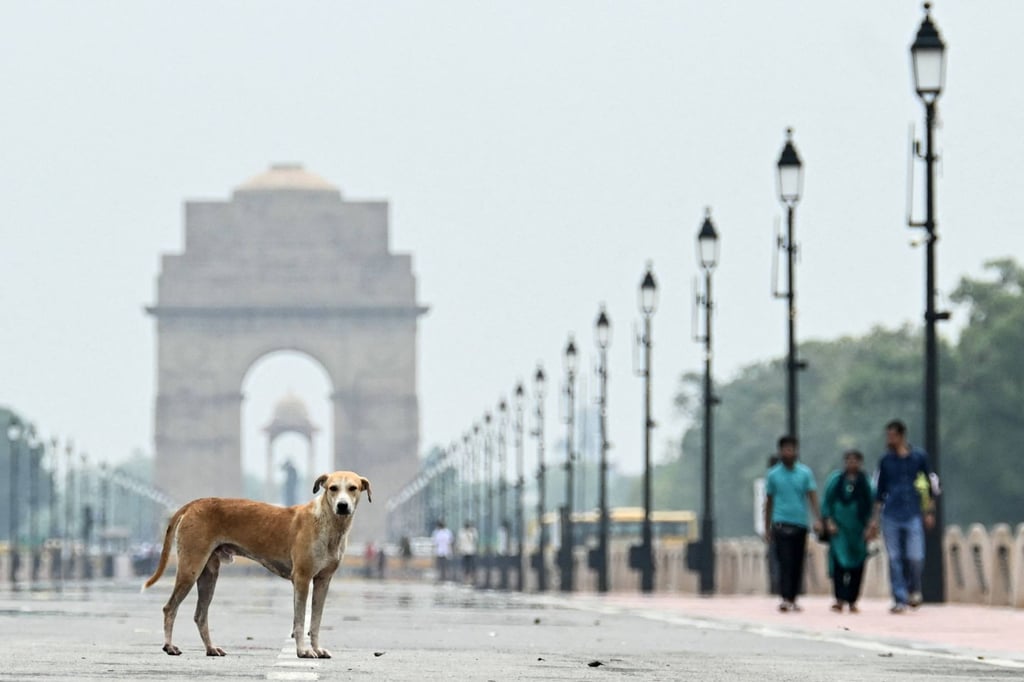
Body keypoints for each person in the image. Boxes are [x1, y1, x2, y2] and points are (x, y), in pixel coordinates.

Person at [869, 419, 935, 613]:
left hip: (913, 511)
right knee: (895, 558)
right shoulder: (885, 460)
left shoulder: (919, 457)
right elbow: (879, 492)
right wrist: (874, 519)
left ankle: (914, 589)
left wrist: (929, 511)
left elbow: (931, 485)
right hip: (891, 514)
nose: (889, 439)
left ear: (901, 435)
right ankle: (900, 598)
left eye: (892, 435)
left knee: (915, 556)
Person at [763, 435, 822, 612]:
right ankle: (785, 597)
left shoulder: (805, 473)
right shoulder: (773, 475)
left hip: (799, 523)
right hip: (780, 522)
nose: (788, 452)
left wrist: (818, 519)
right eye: (785, 449)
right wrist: (767, 526)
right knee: (784, 561)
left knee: (797, 562)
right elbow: (769, 501)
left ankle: (793, 597)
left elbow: (812, 497)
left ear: (796, 451)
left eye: (792, 449)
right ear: (780, 451)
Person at [820, 449, 875, 613]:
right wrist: (828, 521)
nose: (851, 464)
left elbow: (873, 506)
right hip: (839, 530)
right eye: (848, 460)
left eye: (855, 460)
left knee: (857, 565)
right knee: (838, 564)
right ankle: (839, 598)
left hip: (858, 531)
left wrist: (871, 526)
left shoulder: (866, 483)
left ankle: (852, 600)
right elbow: (826, 502)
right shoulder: (835, 480)